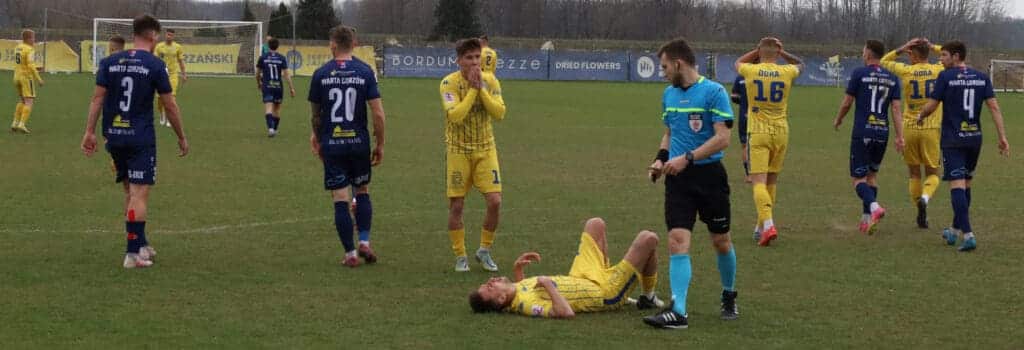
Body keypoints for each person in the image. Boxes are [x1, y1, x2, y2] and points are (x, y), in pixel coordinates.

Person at [80, 14, 190, 269]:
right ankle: (132, 254)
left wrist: (89, 132)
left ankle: (139, 242)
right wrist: (181, 136)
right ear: (153, 36)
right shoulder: (154, 64)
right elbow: (170, 104)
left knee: (130, 192)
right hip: (140, 138)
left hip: (114, 136)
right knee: (139, 194)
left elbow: (97, 99)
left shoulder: (110, 62)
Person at [644, 38, 738, 329]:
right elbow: (670, 133)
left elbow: (723, 138)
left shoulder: (714, 92)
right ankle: (679, 311)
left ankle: (728, 294)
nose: (661, 72)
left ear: (678, 64)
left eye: (664, 67)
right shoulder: (668, 95)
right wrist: (660, 160)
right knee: (677, 241)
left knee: (720, 241)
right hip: (677, 180)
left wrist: (688, 157)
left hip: (710, 178)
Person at [916, 41, 1010, 252]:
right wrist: (1002, 136)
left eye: (944, 55)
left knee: (957, 186)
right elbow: (994, 107)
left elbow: (932, 104)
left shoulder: (946, 77)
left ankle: (968, 235)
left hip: (953, 140)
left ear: (956, 56)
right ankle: (954, 230)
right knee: (966, 184)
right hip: (974, 138)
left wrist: (920, 116)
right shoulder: (981, 78)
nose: (941, 59)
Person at [469, 218, 664, 318]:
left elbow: (525, 291)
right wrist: (547, 284)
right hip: (603, 292)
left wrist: (518, 271)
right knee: (648, 239)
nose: (490, 281)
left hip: (581, 277)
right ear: (502, 298)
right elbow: (564, 313)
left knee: (595, 224)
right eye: (490, 288)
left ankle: (644, 296)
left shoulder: (517, 292)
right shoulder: (527, 306)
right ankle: (647, 298)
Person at [308, 25, 386, 267]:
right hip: (359, 143)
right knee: (361, 190)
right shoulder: (365, 72)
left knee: (340, 198)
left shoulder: (321, 74)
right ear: (354, 44)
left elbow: (316, 115)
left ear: (332, 44)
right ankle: (364, 241)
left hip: (333, 143)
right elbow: (378, 114)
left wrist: (316, 137)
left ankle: (350, 254)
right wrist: (380, 143)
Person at [440, 38, 507, 272]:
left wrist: (482, 91)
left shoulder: (490, 80)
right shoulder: (448, 83)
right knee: (457, 205)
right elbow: (456, 115)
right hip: (458, 151)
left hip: (486, 149)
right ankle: (460, 256)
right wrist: (472, 91)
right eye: (469, 58)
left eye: (477, 57)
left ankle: (484, 250)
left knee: (495, 201)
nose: (475, 62)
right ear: (459, 61)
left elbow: (499, 113)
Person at [734, 37, 804, 246]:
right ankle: (760, 226)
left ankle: (769, 224)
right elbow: (801, 64)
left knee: (758, 182)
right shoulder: (786, 71)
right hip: (781, 131)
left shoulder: (751, 70)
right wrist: (783, 53)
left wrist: (756, 51)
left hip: (758, 132)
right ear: (777, 53)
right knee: (771, 181)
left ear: (759, 53)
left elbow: (736, 62)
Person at [832, 40, 905, 234]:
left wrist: (838, 118)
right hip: (882, 132)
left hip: (863, 131)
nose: (862, 53)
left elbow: (848, 101)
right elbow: (896, 109)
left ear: (868, 53)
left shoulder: (859, 73)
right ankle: (866, 220)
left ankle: (874, 207)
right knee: (871, 176)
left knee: (858, 179)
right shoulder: (892, 77)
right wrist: (900, 136)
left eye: (863, 50)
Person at [880, 38, 945, 229]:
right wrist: (933, 46)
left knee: (914, 173)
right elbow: (949, 55)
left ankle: (920, 212)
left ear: (914, 54)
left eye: (910, 54)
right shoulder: (938, 69)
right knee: (933, 173)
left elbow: (883, 61)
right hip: (931, 129)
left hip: (909, 128)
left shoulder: (906, 71)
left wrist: (900, 48)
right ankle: (925, 197)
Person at [256, 37, 295, 137]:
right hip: (278, 87)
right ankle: (275, 129)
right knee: (276, 110)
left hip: (267, 86)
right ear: (278, 46)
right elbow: (287, 75)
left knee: (268, 108)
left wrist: (258, 83)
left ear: (268, 46)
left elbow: (257, 73)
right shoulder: (281, 58)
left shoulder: (263, 57)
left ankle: (271, 129)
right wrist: (291, 88)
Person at [10, 29, 44, 134]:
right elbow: (30, 65)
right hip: (26, 78)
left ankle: (15, 123)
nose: (34, 40)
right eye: (33, 38)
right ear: (28, 39)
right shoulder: (29, 49)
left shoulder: (18, 47)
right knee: (29, 102)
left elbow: (22, 64)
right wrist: (39, 79)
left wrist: (36, 68)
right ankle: (22, 124)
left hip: (16, 77)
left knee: (22, 101)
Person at [154, 28, 187, 127]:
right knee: (160, 99)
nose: (169, 36)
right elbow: (155, 60)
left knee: (171, 97)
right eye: (168, 34)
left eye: (171, 35)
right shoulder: (159, 46)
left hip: (173, 75)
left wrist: (184, 74)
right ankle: (162, 115)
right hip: (161, 75)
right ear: (165, 35)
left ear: (174, 36)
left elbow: (181, 61)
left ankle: (169, 119)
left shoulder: (178, 47)